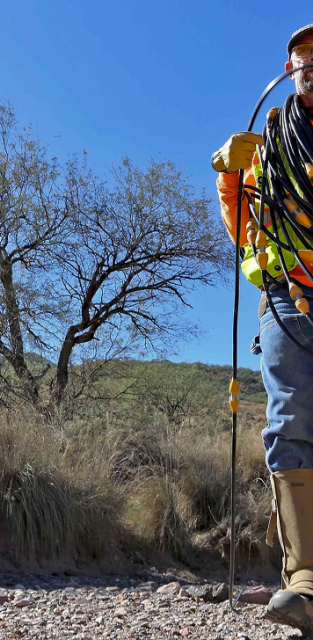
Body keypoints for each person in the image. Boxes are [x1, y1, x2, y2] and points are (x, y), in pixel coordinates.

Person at [213, 24, 313, 634]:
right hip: (284, 296)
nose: (312, 61)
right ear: (290, 63)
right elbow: (242, 232)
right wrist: (229, 174)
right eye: (304, 53)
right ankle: (305, 577)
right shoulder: (266, 141)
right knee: (291, 418)